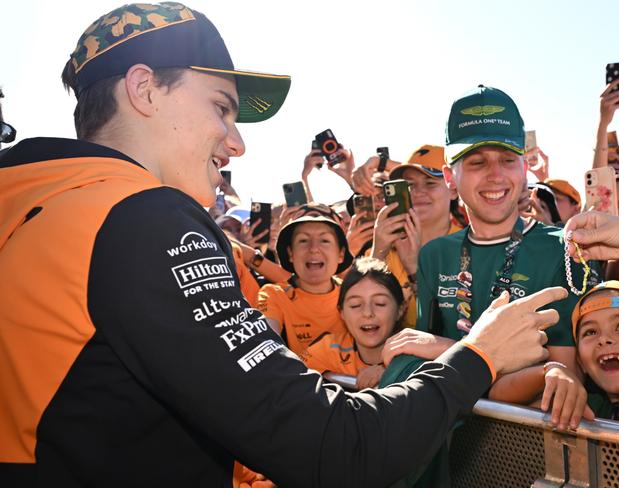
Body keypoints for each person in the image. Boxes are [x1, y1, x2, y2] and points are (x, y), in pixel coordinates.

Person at [0, 3, 570, 486]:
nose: (238, 142)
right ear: (145, 90)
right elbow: (339, 446)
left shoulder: (33, 200)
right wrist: (478, 355)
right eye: (221, 107)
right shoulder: (142, 218)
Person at [401, 85, 598, 426]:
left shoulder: (565, 248)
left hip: (527, 442)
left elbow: (565, 378)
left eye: (507, 160)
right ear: (450, 177)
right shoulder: (434, 254)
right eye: (477, 162)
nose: (495, 174)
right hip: (450, 439)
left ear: (524, 168)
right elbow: (422, 364)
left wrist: (447, 348)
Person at [370, 145, 463, 328]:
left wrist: (415, 268)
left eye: (430, 183)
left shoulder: (470, 246)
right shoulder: (384, 245)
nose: (418, 192)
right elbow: (361, 317)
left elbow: (455, 325)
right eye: (410, 185)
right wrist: (378, 253)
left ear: (453, 190)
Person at [257, 203, 353, 355]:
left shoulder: (353, 294)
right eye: (303, 240)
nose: (314, 248)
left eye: (324, 240)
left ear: (340, 254)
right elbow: (269, 344)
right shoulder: (274, 295)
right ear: (290, 253)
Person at [301, 257, 406, 389]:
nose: (367, 313)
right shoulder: (329, 349)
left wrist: (392, 372)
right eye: (355, 305)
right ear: (342, 313)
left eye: (380, 303)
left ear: (400, 309)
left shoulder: (415, 351)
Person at [570, 281, 619, 440]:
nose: (604, 339)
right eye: (590, 332)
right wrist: (552, 370)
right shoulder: (587, 410)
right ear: (580, 361)